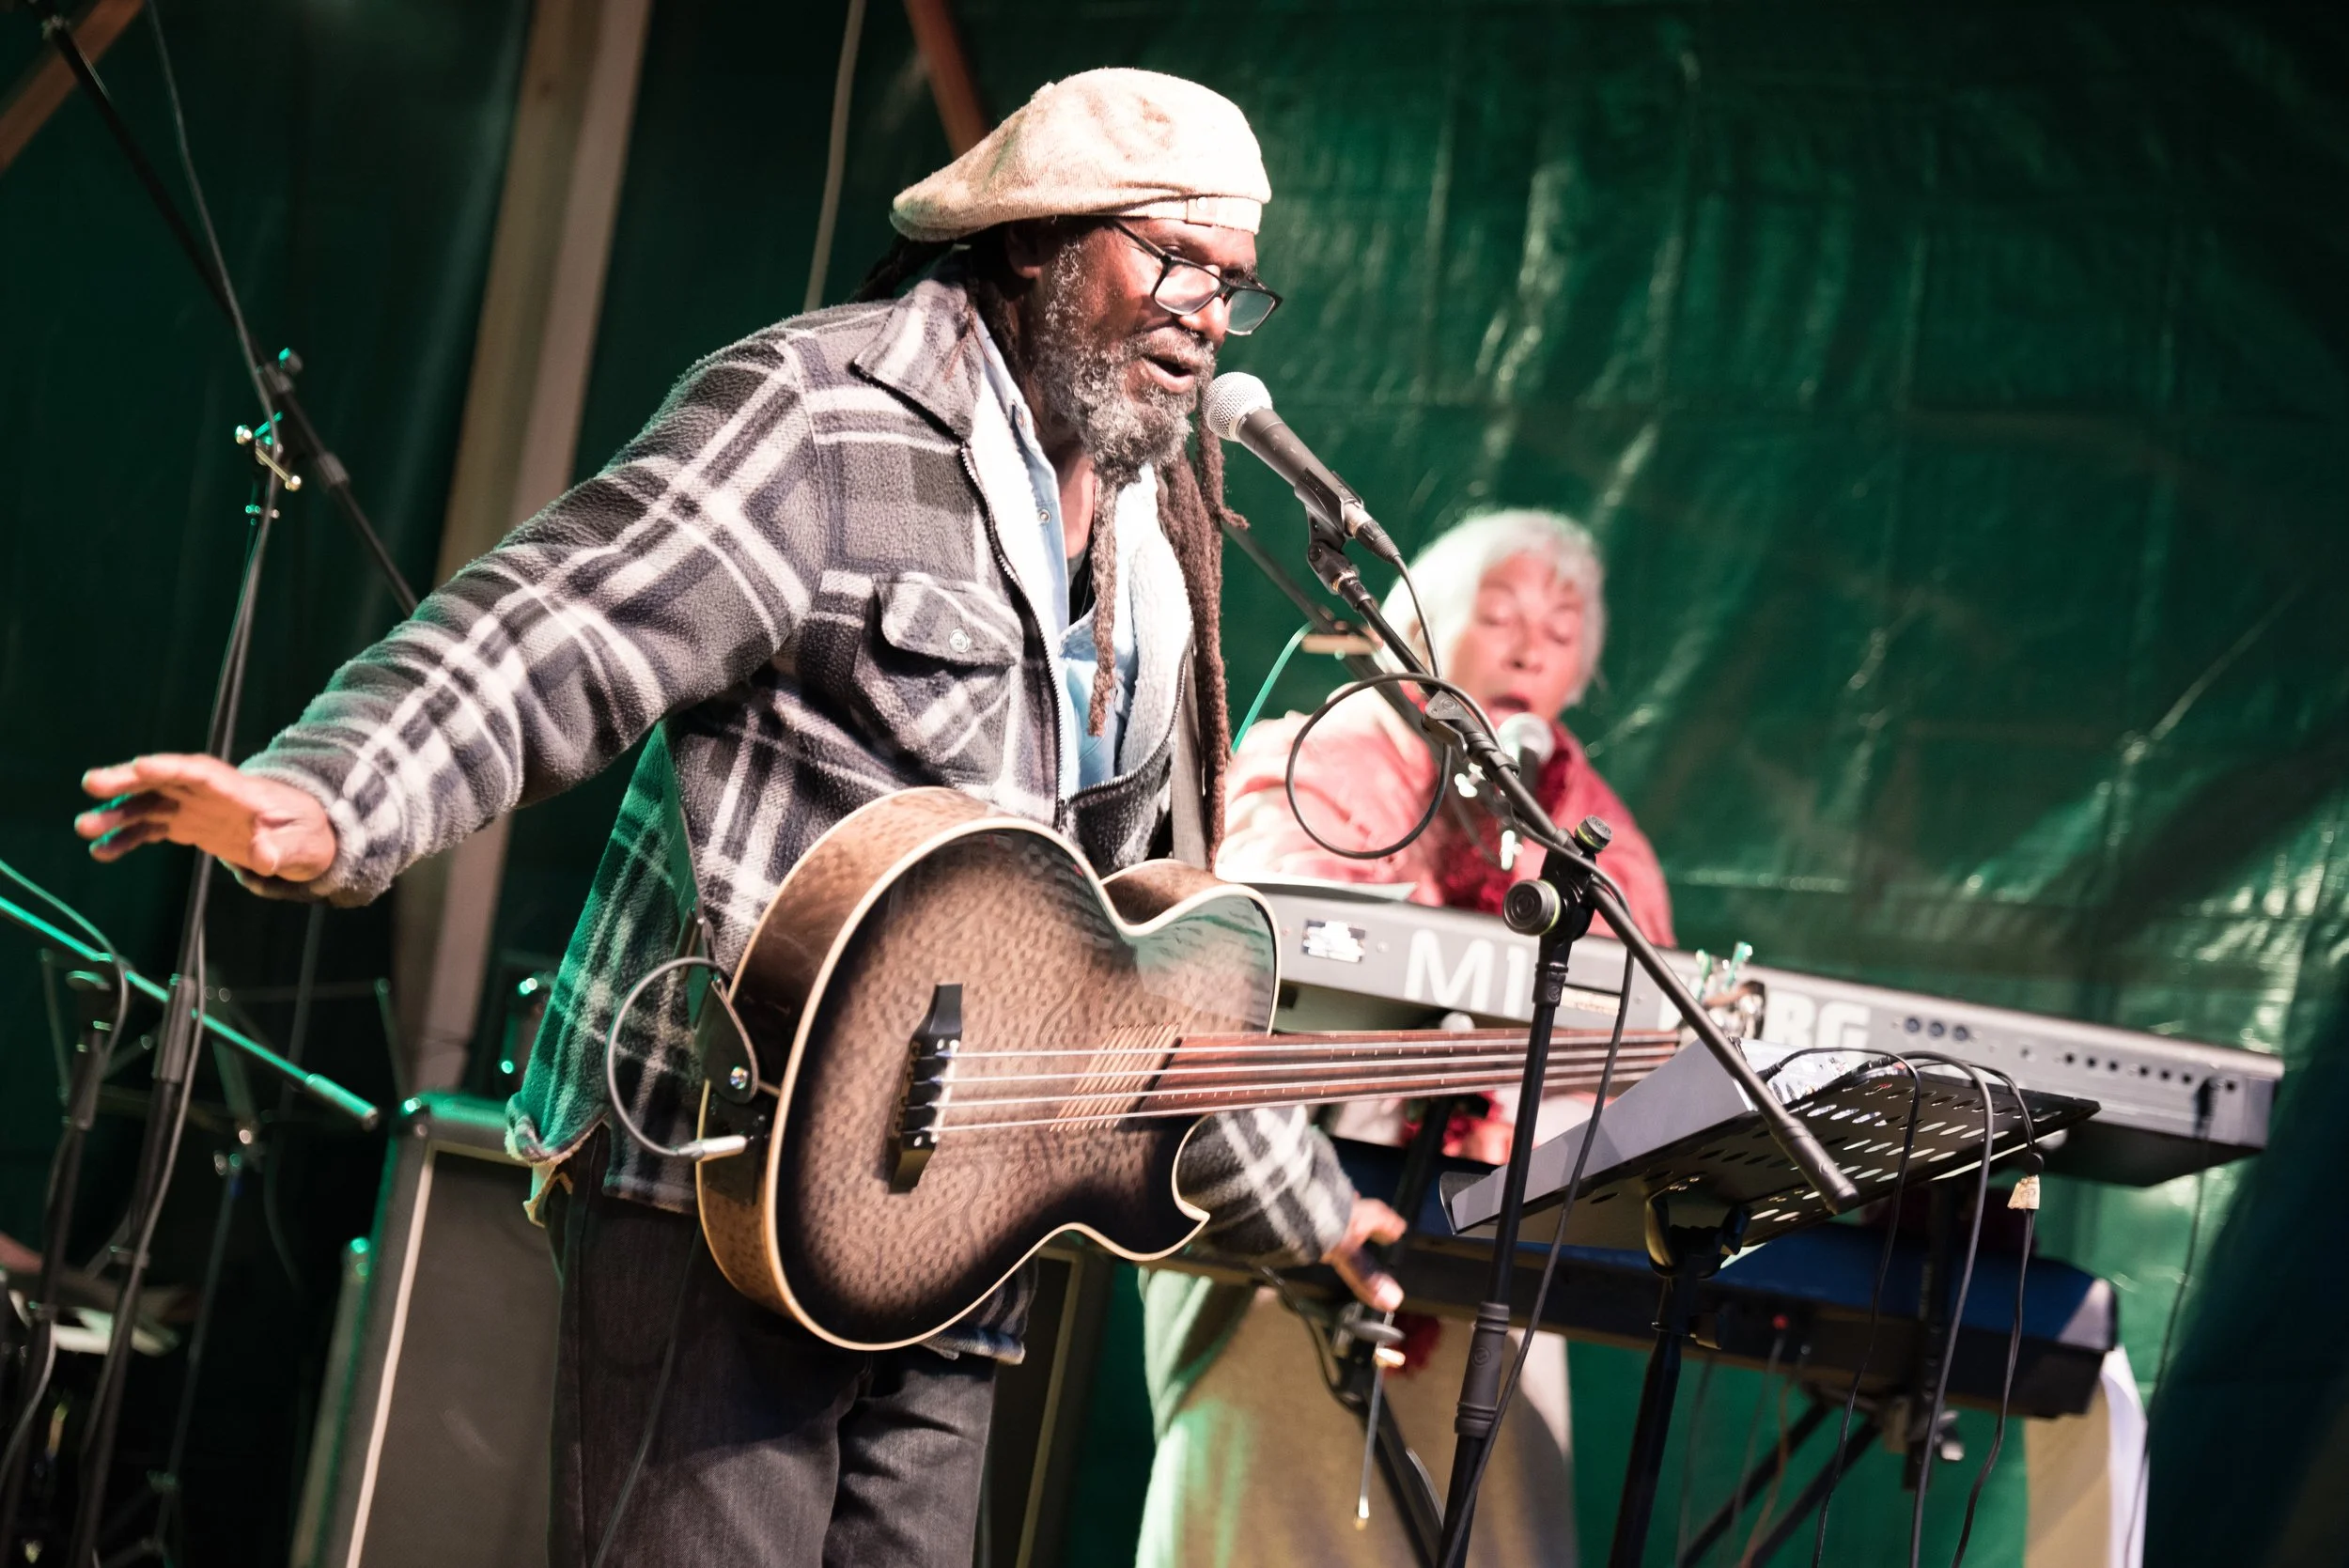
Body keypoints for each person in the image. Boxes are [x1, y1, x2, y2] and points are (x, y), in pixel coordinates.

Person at [70, 70, 1403, 1568]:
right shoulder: (825, 412)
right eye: (1171, 259)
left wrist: (1309, 1212)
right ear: (1039, 240)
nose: (1207, 314)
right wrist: (329, 791)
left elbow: (1136, 967)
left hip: (955, 1230)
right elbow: (562, 619)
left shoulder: (1161, 539)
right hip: (723, 1174)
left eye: (1233, 283)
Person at [1137, 509, 1675, 1568]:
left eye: (1561, 629)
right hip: (1294, 1192)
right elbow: (1250, 948)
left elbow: (1639, 1031)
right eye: (1500, 614)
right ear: (1419, 625)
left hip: (1504, 1235)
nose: (1530, 648)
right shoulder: (1319, 755)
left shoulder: (1601, 839)